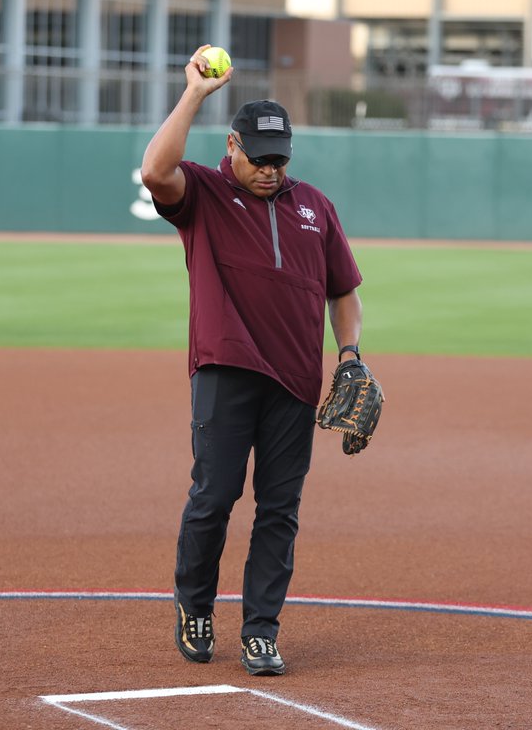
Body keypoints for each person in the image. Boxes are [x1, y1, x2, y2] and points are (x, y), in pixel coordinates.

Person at [141, 45, 365, 677]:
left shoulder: (313, 206)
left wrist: (349, 355)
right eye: (260, 157)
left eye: (280, 158)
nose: (271, 169)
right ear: (234, 146)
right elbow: (155, 173)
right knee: (214, 497)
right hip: (226, 371)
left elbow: (343, 290)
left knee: (279, 510)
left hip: (296, 383)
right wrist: (194, 94)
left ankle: (261, 630)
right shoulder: (206, 195)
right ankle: (195, 604)